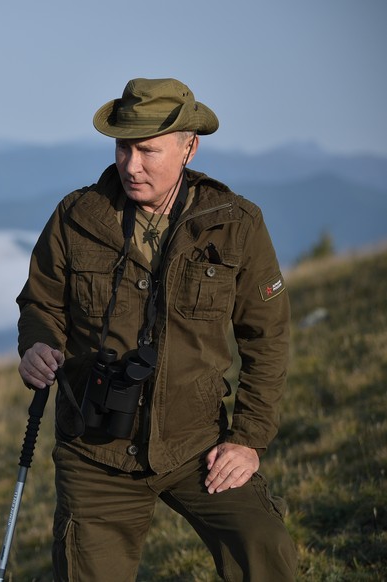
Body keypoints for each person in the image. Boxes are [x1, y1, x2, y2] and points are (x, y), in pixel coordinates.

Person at [16, 78, 297, 581]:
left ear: (190, 146)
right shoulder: (77, 217)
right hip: (94, 450)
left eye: (148, 150)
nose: (131, 165)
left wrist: (248, 439)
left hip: (198, 445)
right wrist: (37, 344)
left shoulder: (235, 225)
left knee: (265, 548)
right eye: (124, 147)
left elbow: (267, 338)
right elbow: (41, 302)